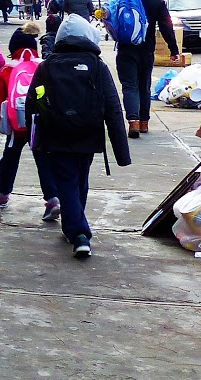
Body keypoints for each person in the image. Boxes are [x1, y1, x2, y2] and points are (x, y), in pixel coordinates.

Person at [26, 14, 132, 259]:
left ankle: (78, 233)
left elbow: (32, 103)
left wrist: (34, 139)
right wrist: (121, 153)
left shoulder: (47, 66)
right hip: (88, 134)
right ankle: (75, 228)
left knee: (66, 183)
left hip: (56, 134)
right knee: (79, 180)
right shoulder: (97, 65)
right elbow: (113, 107)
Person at [0, 21, 53, 217]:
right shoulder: (44, 67)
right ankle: (52, 198)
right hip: (39, 124)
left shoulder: (7, 70)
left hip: (17, 125)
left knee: (10, 158)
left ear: (13, 48)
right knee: (43, 160)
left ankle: (3, 192)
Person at [113, 0, 181, 139]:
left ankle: (133, 122)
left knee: (129, 86)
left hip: (126, 49)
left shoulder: (122, 0)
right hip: (146, 50)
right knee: (144, 85)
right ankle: (144, 123)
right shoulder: (156, 2)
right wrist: (173, 50)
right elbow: (166, 26)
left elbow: (111, 22)